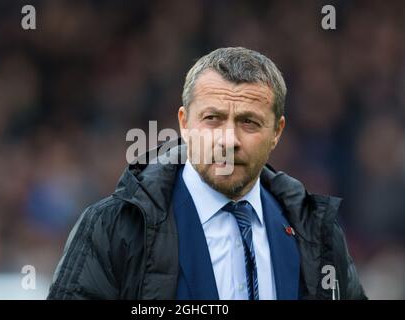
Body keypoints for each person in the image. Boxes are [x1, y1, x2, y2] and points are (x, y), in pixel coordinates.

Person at [47, 47, 366, 300]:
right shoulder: (113, 228)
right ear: (184, 123)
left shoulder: (317, 232)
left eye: (249, 122)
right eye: (212, 118)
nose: (228, 140)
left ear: (277, 132)